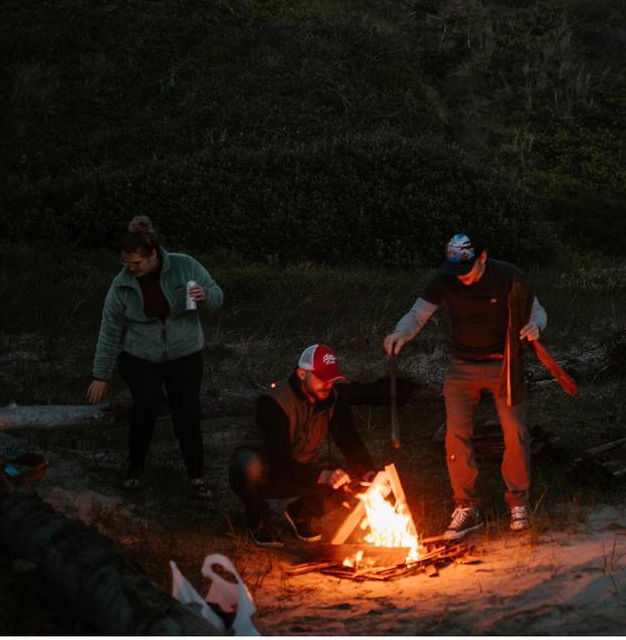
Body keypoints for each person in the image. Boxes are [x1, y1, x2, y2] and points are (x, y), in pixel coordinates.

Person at [382, 233, 548, 540]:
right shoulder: (446, 278)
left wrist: (536, 325)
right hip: (463, 364)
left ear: (483, 257)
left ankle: (518, 502)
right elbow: (418, 313)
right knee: (455, 434)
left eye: (467, 270)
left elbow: (537, 309)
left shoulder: (507, 275)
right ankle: (467, 508)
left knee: (515, 430)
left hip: (503, 362)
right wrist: (400, 334)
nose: (462, 278)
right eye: (456, 271)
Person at [86, 215, 223, 497]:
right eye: (126, 263)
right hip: (140, 355)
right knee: (145, 408)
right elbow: (109, 330)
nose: (130, 269)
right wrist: (101, 375)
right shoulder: (121, 285)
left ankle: (197, 478)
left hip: (184, 353)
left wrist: (205, 296)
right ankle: (134, 472)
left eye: (136, 263)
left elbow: (217, 295)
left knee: (187, 413)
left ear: (153, 255)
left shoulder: (184, 266)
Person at [228, 344, 377, 546]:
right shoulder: (273, 403)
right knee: (247, 466)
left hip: (302, 465)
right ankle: (258, 518)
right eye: (321, 378)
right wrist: (324, 476)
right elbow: (281, 463)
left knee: (353, 472)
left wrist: (368, 472)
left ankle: (302, 514)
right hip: (269, 469)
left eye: (331, 379)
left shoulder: (332, 400)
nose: (327, 384)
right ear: (301, 373)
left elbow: (350, 441)